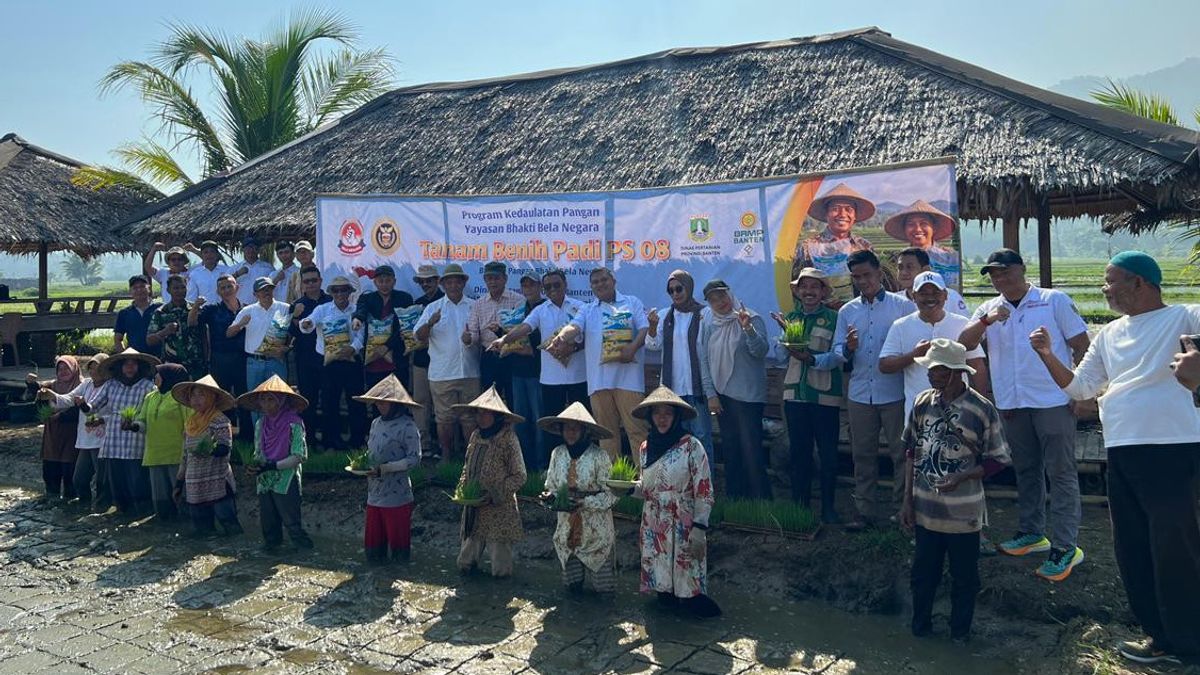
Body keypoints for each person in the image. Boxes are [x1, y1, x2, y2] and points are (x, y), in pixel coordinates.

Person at [1029, 252, 1200, 663]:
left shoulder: (1186, 316)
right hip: (1123, 450)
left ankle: (1190, 644)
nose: (1105, 288)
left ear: (1140, 283)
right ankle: (1159, 637)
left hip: (1176, 448)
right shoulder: (1108, 335)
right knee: (1133, 546)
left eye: (1111, 280)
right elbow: (1081, 388)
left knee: (1177, 548)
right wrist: (1047, 355)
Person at [958, 248, 1090, 579]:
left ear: (1022, 269)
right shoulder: (989, 308)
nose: (1000, 278)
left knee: (1060, 472)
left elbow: (1082, 344)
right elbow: (964, 343)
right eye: (993, 274)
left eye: (1005, 271)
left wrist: (1081, 391)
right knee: (1027, 469)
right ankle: (1033, 533)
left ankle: (1065, 546)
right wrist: (987, 320)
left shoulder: (1053, 300)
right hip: (1012, 402)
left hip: (1053, 399)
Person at [899, 339, 1011, 643]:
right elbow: (911, 451)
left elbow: (998, 460)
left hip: (964, 513)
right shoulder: (923, 402)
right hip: (925, 509)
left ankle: (959, 633)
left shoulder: (981, 408)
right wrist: (906, 501)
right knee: (923, 575)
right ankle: (919, 628)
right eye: (932, 369)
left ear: (957, 372)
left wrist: (963, 477)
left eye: (939, 370)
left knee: (964, 578)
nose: (933, 375)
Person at [833, 250, 916, 531]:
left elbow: (912, 347)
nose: (862, 281)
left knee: (900, 454)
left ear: (879, 274)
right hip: (859, 394)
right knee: (863, 455)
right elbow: (836, 351)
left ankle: (901, 511)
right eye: (856, 277)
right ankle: (864, 512)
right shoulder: (847, 311)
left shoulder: (902, 307)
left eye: (867, 275)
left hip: (894, 393)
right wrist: (847, 348)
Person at [631, 386, 720, 618]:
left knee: (689, 595)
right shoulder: (645, 447)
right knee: (664, 598)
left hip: (684, 527)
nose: (661, 418)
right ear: (650, 417)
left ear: (676, 417)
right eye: (657, 413)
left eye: (667, 413)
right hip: (654, 527)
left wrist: (700, 528)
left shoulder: (692, 446)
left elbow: (705, 491)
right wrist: (629, 490)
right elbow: (648, 489)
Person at [548, 268, 650, 462]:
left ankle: (644, 486)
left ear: (613, 281)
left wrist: (633, 348)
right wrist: (561, 337)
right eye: (595, 282)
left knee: (637, 432)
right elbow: (575, 327)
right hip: (598, 382)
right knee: (607, 436)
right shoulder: (587, 309)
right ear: (591, 287)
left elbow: (645, 328)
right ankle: (611, 484)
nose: (600, 284)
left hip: (628, 380)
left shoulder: (632, 302)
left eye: (604, 280)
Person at [771, 268, 843, 520]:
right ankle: (799, 507)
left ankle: (828, 508)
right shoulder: (790, 318)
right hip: (795, 397)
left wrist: (809, 357)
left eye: (815, 287)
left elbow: (838, 356)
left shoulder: (835, 319)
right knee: (799, 453)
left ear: (823, 292)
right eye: (804, 287)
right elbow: (780, 358)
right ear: (798, 292)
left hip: (824, 396)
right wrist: (786, 335)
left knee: (828, 455)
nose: (809, 292)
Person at [492, 269, 588, 449]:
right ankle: (552, 464)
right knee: (553, 425)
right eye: (548, 286)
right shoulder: (540, 310)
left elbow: (588, 337)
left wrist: (572, 347)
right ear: (543, 290)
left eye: (557, 284)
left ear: (565, 284)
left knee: (581, 421)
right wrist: (504, 339)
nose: (553, 289)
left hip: (578, 376)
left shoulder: (580, 307)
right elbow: (525, 327)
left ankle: (581, 459)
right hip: (550, 379)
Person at [697, 280, 770, 499]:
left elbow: (761, 351)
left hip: (748, 397)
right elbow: (705, 360)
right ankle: (735, 502)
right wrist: (711, 395)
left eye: (722, 296)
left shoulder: (752, 317)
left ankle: (761, 503)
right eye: (713, 299)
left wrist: (747, 329)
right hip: (722, 398)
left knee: (752, 451)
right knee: (731, 450)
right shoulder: (709, 322)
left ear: (730, 294)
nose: (720, 302)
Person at [880, 272, 984, 417]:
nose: (930, 298)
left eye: (936, 292)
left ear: (945, 295)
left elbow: (977, 364)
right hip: (919, 413)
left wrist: (981, 405)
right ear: (914, 296)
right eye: (923, 293)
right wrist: (914, 355)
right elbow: (884, 365)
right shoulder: (900, 326)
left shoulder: (961, 323)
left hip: (959, 412)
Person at [539, 402, 618, 594]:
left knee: (603, 590)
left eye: (575, 428)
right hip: (566, 531)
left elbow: (612, 495)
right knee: (572, 590)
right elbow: (551, 485)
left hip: (596, 533)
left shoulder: (599, 456)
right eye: (567, 428)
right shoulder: (557, 453)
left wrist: (584, 502)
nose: (570, 433)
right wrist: (550, 497)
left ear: (585, 431)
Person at [453, 386, 527, 578]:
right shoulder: (476, 436)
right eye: (479, 412)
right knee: (464, 563)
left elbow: (520, 476)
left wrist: (494, 493)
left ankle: (497, 601)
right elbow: (466, 467)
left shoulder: (508, 439)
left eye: (487, 413)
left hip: (499, 511)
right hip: (474, 510)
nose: (482, 417)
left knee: (500, 569)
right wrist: (462, 488)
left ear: (497, 416)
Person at [353, 375, 423, 565]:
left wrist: (387, 468)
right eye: (378, 402)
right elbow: (371, 453)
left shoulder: (408, 426)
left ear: (395, 404)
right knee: (373, 551)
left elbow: (414, 459)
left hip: (397, 496)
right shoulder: (376, 423)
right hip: (374, 493)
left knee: (399, 551)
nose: (379, 406)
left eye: (384, 403)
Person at [239, 375, 313, 552]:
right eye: (263, 399)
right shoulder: (260, 424)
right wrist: (255, 466)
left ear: (281, 401)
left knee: (292, 524)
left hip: (286, 480)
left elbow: (299, 456)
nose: (266, 404)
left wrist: (274, 465)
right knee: (269, 525)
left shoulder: (294, 424)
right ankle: (271, 557)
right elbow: (258, 452)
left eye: (271, 399)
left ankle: (306, 556)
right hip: (265, 479)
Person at [644, 270, 713, 461]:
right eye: (671, 290)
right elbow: (652, 345)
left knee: (701, 437)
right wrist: (651, 328)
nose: (675, 294)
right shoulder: (665, 315)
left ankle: (705, 487)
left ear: (688, 287)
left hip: (696, 388)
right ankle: (678, 484)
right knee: (675, 439)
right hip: (672, 391)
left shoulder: (704, 314)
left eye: (679, 288)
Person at [81, 348, 159, 515]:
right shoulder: (111, 385)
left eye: (133, 364)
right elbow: (92, 407)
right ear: (120, 367)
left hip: (135, 442)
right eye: (126, 364)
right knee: (117, 485)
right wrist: (82, 404)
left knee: (137, 484)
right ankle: (121, 514)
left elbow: (147, 415)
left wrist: (133, 425)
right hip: (114, 442)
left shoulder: (148, 387)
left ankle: (141, 514)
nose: (129, 367)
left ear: (139, 367)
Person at [415, 263, 479, 461]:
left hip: (470, 371)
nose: (453, 285)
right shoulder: (433, 308)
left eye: (457, 281)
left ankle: (471, 458)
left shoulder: (474, 306)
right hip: (442, 373)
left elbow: (481, 334)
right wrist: (430, 323)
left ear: (463, 283)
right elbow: (418, 336)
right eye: (449, 281)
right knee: (444, 419)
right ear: (443, 285)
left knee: (470, 418)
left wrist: (473, 339)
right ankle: (446, 456)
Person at [299, 276, 366, 450]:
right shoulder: (322, 309)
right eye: (336, 291)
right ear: (332, 293)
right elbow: (309, 323)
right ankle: (331, 441)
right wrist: (306, 323)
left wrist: (352, 349)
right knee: (330, 402)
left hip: (352, 361)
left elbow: (361, 336)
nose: (340, 294)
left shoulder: (357, 310)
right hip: (329, 363)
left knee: (356, 402)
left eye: (344, 290)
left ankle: (357, 441)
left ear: (349, 293)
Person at [172, 375, 242, 536]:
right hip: (194, 485)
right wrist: (178, 483)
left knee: (230, 525)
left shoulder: (220, 420)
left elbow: (225, 448)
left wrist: (209, 450)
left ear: (212, 398)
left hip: (217, 482)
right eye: (193, 395)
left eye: (202, 395)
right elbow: (185, 456)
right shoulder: (190, 423)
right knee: (202, 530)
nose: (196, 399)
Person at [492, 272, 546, 470]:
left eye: (532, 285)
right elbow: (514, 339)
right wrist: (501, 334)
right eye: (525, 285)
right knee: (520, 420)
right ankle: (522, 465)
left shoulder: (545, 308)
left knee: (538, 421)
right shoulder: (518, 310)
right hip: (517, 373)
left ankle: (540, 466)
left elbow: (536, 346)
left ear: (540, 286)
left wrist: (516, 347)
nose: (529, 289)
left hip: (538, 373)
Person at [42, 354, 109, 511]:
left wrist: (101, 419)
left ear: (105, 369)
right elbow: (69, 398)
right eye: (91, 368)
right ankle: (84, 506)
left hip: (101, 439)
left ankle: (102, 508)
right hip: (85, 438)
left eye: (97, 368)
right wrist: (52, 395)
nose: (93, 372)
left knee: (101, 479)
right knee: (79, 479)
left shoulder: (110, 386)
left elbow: (101, 408)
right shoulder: (87, 384)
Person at [793, 183, 877, 306]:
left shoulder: (864, 246)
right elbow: (797, 285)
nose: (842, 214)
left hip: (860, 312)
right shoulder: (808, 247)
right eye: (835, 209)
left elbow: (875, 282)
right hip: (821, 317)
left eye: (848, 210)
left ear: (854, 216)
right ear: (826, 214)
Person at [126, 364, 190, 523]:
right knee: (161, 502)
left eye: (158, 374)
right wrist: (134, 426)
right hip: (154, 455)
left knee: (181, 497)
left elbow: (189, 425)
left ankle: (185, 531)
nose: (155, 377)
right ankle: (164, 534)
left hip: (176, 455)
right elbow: (142, 422)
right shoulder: (150, 397)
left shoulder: (180, 398)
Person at [191, 274, 252, 441]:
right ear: (218, 291)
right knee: (222, 399)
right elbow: (192, 323)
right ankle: (224, 437)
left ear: (237, 287)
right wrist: (196, 307)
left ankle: (247, 436)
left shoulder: (247, 309)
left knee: (244, 398)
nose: (226, 290)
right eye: (222, 287)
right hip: (220, 359)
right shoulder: (212, 310)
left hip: (243, 359)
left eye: (229, 286)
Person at [466, 261, 524, 404]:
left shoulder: (518, 300)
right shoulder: (478, 304)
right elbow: (473, 333)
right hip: (488, 358)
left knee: (514, 400)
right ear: (485, 280)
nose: (493, 282)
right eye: (489, 278)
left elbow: (521, 330)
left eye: (496, 278)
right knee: (490, 403)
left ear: (505, 279)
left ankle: (512, 427)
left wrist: (501, 331)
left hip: (512, 356)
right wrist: (468, 339)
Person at [227, 277, 291, 407]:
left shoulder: (286, 308)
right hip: (254, 363)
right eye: (262, 290)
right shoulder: (247, 310)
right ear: (255, 294)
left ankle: (277, 427)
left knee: (279, 400)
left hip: (276, 362)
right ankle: (259, 428)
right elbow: (228, 333)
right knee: (256, 402)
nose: (266, 292)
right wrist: (240, 324)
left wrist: (287, 347)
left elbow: (293, 333)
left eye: (269, 289)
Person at [26, 356, 82, 501]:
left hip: (72, 435)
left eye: (66, 368)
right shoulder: (51, 386)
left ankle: (71, 504)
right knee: (51, 472)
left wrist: (61, 416)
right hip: (52, 435)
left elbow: (79, 411)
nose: (63, 372)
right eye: (60, 369)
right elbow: (37, 401)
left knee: (70, 472)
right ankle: (52, 502)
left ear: (74, 369)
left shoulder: (82, 385)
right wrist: (31, 384)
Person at [352, 264, 413, 390]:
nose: (384, 284)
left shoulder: (405, 299)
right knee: (375, 400)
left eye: (388, 281)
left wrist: (387, 346)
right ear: (375, 282)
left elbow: (405, 327)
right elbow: (361, 309)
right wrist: (357, 318)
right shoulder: (366, 298)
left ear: (394, 281)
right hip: (373, 360)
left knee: (398, 400)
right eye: (380, 281)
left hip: (397, 359)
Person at [288, 265, 330, 446]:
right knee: (308, 402)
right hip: (305, 359)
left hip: (329, 358)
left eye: (314, 280)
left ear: (320, 281)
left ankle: (330, 440)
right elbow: (289, 332)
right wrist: (295, 318)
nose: (311, 284)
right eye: (307, 281)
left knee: (329, 400)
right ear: (302, 284)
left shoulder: (331, 301)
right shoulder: (296, 306)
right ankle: (309, 441)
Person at [409, 264, 444, 459]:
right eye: (422, 281)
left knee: (441, 405)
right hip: (421, 360)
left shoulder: (445, 301)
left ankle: (444, 445)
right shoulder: (417, 303)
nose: (425, 284)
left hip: (443, 360)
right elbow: (413, 334)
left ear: (437, 281)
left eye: (429, 280)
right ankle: (424, 444)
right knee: (421, 403)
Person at [884, 200, 961, 288]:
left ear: (934, 228)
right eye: (911, 224)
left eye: (924, 223)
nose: (918, 229)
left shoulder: (950, 257)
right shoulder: (895, 260)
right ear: (905, 229)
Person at [147, 274, 206, 379]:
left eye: (183, 287)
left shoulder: (196, 309)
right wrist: (165, 332)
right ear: (168, 290)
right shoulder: (160, 312)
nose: (180, 291)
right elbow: (150, 340)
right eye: (176, 288)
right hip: (172, 366)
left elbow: (206, 336)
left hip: (196, 365)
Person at [896, 248, 969, 317]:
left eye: (909, 267)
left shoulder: (952, 297)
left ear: (925, 269)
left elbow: (965, 326)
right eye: (900, 267)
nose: (904, 272)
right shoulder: (894, 301)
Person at [113, 275, 161, 356]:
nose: (139, 290)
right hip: (135, 359)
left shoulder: (160, 309)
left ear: (149, 288)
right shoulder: (124, 313)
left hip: (159, 357)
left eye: (142, 286)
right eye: (135, 288)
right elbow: (118, 339)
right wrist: (124, 357)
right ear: (130, 291)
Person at [231, 236, 276, 305]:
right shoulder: (234, 268)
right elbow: (223, 285)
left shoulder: (268, 268)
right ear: (243, 249)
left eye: (253, 247)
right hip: (240, 307)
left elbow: (273, 288)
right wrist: (236, 274)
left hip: (262, 307)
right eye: (248, 248)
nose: (251, 250)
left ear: (258, 250)